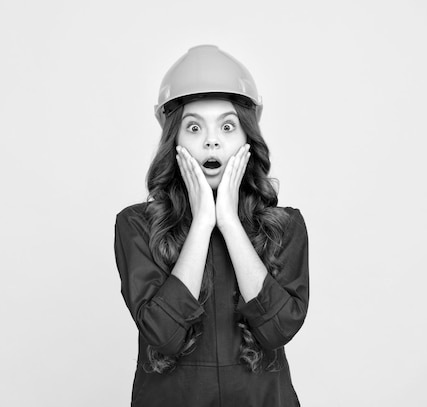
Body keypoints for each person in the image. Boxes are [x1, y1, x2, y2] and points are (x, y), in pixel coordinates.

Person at [114, 45, 309, 407]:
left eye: (227, 125)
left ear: (247, 137)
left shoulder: (286, 226)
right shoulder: (136, 226)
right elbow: (165, 335)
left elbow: (278, 329)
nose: (211, 140)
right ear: (174, 139)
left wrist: (230, 223)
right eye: (193, 127)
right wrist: (203, 223)